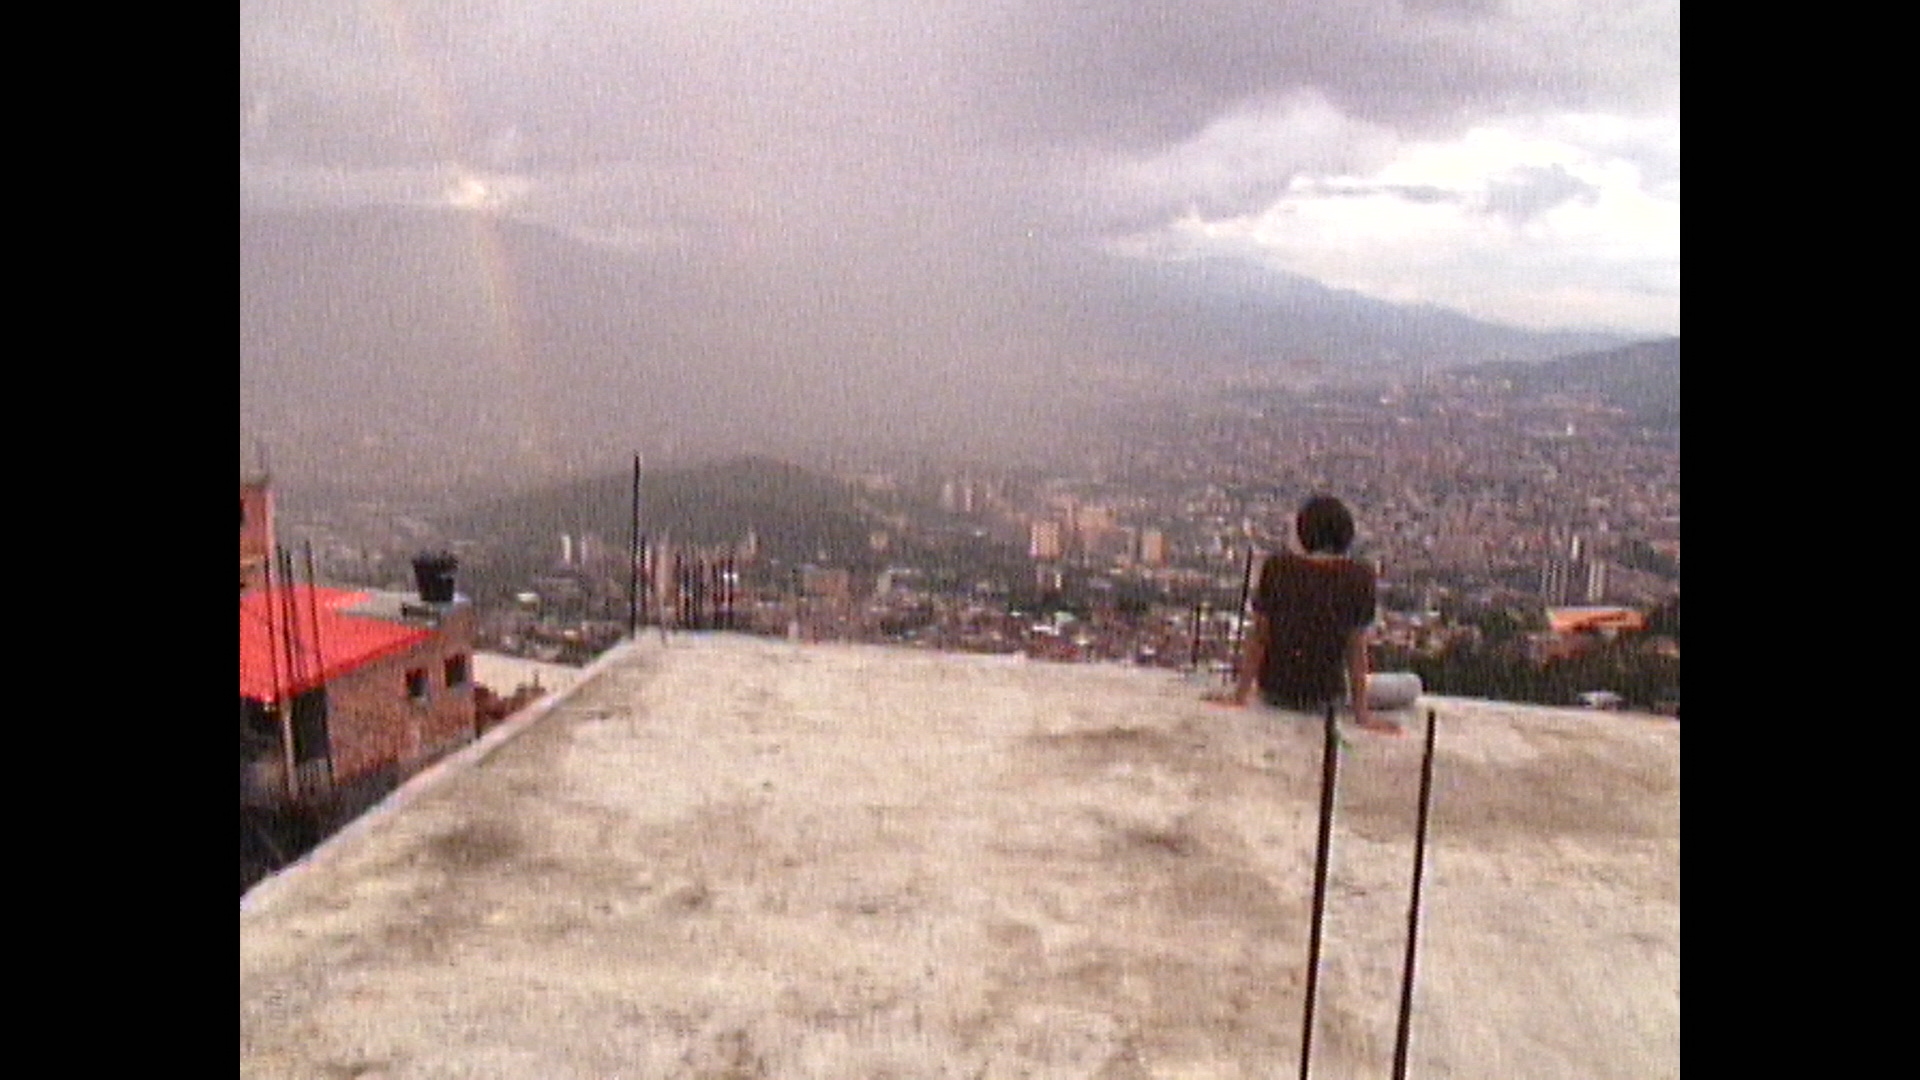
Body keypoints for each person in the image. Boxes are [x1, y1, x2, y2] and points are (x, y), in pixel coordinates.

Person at [1211, 495, 1398, 734]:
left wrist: (1239, 696)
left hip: (1274, 692)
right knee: (1410, 684)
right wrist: (1362, 715)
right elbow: (1355, 650)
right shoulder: (1360, 577)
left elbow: (1259, 636)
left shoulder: (1277, 568)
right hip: (1327, 699)